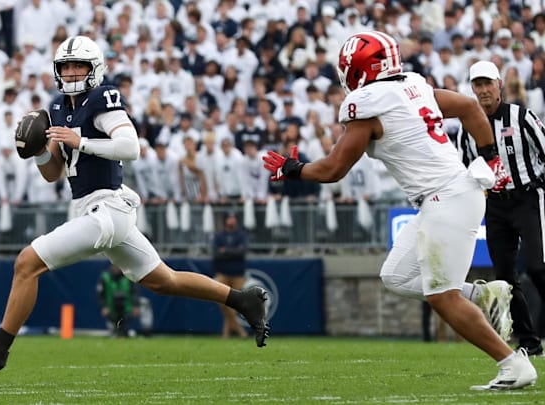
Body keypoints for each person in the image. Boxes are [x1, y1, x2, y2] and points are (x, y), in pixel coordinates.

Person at [0, 35, 269, 371]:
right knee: (166, 280)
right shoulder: (58, 108)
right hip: (94, 208)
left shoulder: (102, 98)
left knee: (26, 263)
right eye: (66, 66)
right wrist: (39, 152)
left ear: (95, 69)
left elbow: (130, 146)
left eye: (79, 66)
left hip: (107, 208)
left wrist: (82, 141)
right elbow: (54, 174)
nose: (72, 72)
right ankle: (242, 300)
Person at [263, 31, 537, 390]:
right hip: (446, 197)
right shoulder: (413, 85)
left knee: (442, 297)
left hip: (446, 198)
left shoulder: (368, 103)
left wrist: (293, 169)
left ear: (360, 69)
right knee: (395, 276)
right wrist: (490, 158)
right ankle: (483, 295)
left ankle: (512, 364)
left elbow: (333, 170)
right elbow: (470, 108)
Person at [457, 60, 545, 358]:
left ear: (499, 85)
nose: (483, 90)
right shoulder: (466, 129)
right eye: (477, 85)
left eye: (487, 84)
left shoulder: (521, 117)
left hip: (528, 198)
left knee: (537, 267)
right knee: (505, 278)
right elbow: (465, 169)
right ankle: (529, 342)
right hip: (494, 205)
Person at [212, 213, 249, 339]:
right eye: (230, 218)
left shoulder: (241, 235)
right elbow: (216, 254)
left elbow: (242, 251)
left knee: (232, 304)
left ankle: (226, 334)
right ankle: (240, 330)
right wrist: (233, 251)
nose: (232, 220)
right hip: (222, 273)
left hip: (238, 274)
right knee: (222, 301)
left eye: (234, 218)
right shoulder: (219, 236)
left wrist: (226, 251)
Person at [97, 265, 139, 337]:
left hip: (126, 306)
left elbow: (134, 292)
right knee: (114, 322)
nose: (117, 268)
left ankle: (125, 333)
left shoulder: (128, 276)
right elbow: (100, 294)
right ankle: (115, 332)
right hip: (111, 306)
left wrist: (135, 306)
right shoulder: (105, 277)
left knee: (124, 322)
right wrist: (104, 306)